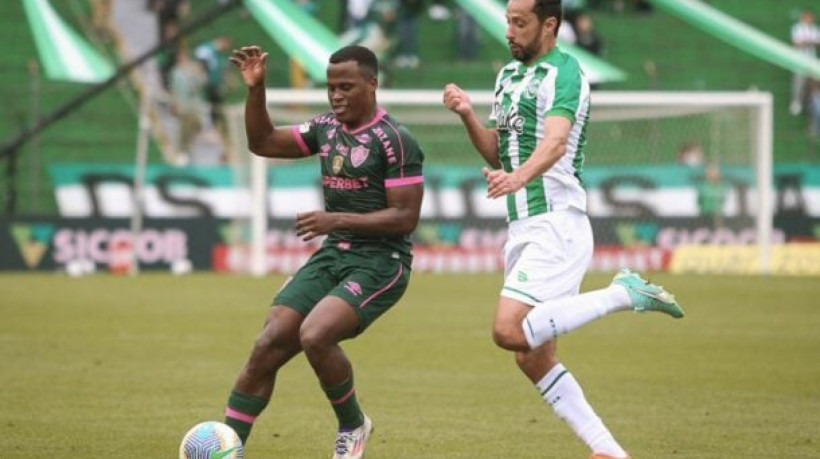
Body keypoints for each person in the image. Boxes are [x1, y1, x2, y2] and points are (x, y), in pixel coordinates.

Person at [442, 1, 684, 458]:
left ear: (549, 24)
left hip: (558, 223)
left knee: (508, 331)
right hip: (523, 227)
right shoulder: (507, 78)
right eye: (507, 22)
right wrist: (467, 115)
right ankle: (609, 451)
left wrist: (518, 178)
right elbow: (499, 153)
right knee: (532, 356)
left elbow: (554, 143)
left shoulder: (566, 72)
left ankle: (622, 293)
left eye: (520, 23)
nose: (509, 32)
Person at [224, 45, 425, 459]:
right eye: (331, 87)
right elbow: (262, 141)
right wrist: (256, 90)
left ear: (372, 84)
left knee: (315, 335)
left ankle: (353, 426)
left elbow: (404, 218)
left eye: (346, 86)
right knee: (269, 343)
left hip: (380, 264)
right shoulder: (326, 128)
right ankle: (226, 447)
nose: (336, 95)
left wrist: (335, 221)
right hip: (334, 256)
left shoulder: (396, 141)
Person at [790, 9, 819, 116]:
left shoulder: (815, 29)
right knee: (798, 81)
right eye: (807, 17)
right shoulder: (797, 28)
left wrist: (806, 42)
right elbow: (797, 43)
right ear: (803, 17)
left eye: (811, 17)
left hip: (812, 59)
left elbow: (817, 42)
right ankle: (796, 102)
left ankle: (812, 104)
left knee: (814, 82)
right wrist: (809, 42)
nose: (810, 19)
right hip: (799, 59)